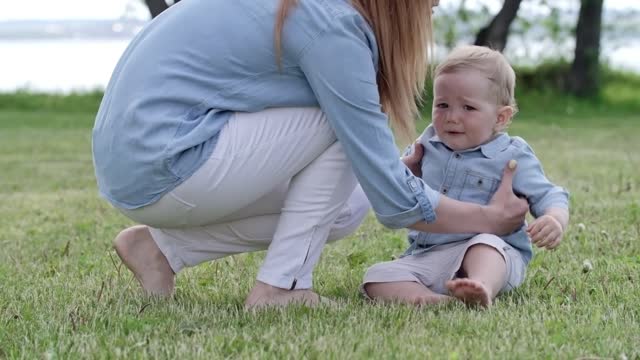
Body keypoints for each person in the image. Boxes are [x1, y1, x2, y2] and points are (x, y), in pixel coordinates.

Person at [92, 0, 529, 309]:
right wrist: (488, 220)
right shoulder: (334, 23)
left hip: (138, 165)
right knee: (340, 125)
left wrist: (388, 173)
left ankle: (161, 250)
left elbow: (364, 187)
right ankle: (280, 289)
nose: (436, 4)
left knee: (343, 210)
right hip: (167, 159)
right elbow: (395, 201)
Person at [361, 45, 570, 308]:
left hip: (494, 254)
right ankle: (436, 301)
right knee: (377, 276)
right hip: (430, 255)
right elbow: (397, 183)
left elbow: (551, 194)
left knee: (486, 244)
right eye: (442, 105)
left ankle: (481, 286)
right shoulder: (428, 144)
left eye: (468, 108)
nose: (452, 117)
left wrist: (554, 219)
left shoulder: (512, 155)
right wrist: (408, 167)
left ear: (501, 117)